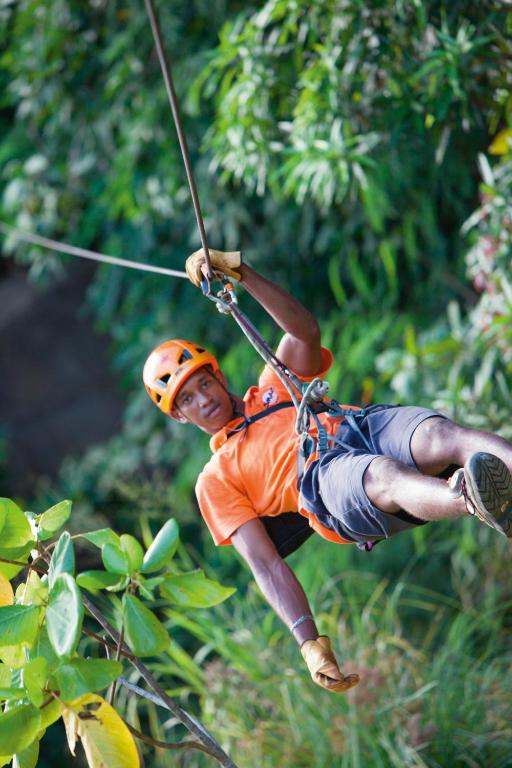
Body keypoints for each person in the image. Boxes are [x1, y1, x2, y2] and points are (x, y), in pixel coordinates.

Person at [143, 249, 512, 694]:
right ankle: (472, 498)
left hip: (360, 426)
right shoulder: (216, 479)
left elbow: (304, 331)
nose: (202, 399)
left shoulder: (274, 385)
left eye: (203, 382)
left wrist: (242, 274)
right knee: (382, 475)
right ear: (180, 417)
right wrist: (308, 641)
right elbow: (265, 564)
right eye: (187, 399)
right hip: (323, 483)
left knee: (440, 436)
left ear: (218, 375)